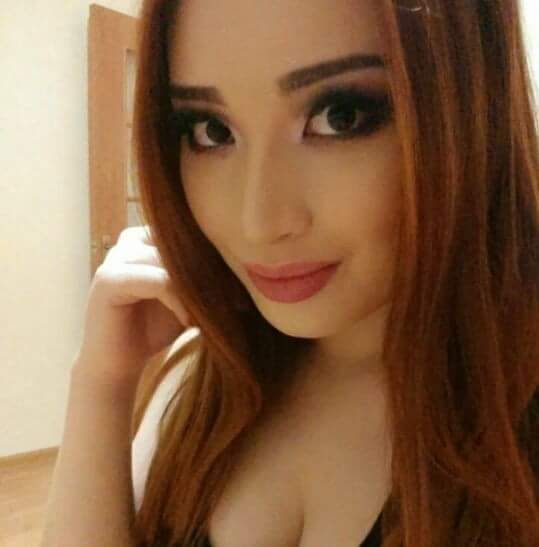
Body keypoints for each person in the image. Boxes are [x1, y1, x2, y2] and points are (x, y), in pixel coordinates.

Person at [41, 1, 539, 546]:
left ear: (473, 108)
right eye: (211, 130)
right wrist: (101, 384)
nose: (257, 223)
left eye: (339, 116)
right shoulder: (204, 377)